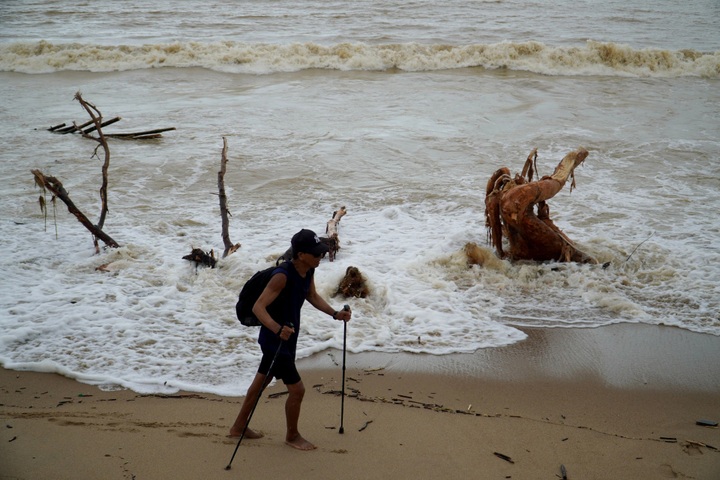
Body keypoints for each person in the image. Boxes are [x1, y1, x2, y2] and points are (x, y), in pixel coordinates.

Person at [229, 229, 352, 450]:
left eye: (321, 252)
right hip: (275, 339)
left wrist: (335, 314)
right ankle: (292, 436)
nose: (320, 257)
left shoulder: (308, 271)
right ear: (301, 254)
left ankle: (238, 427)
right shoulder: (282, 276)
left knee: (261, 382)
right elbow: (259, 307)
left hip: (287, 337)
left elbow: (312, 296)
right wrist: (277, 329)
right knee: (297, 390)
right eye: (316, 254)